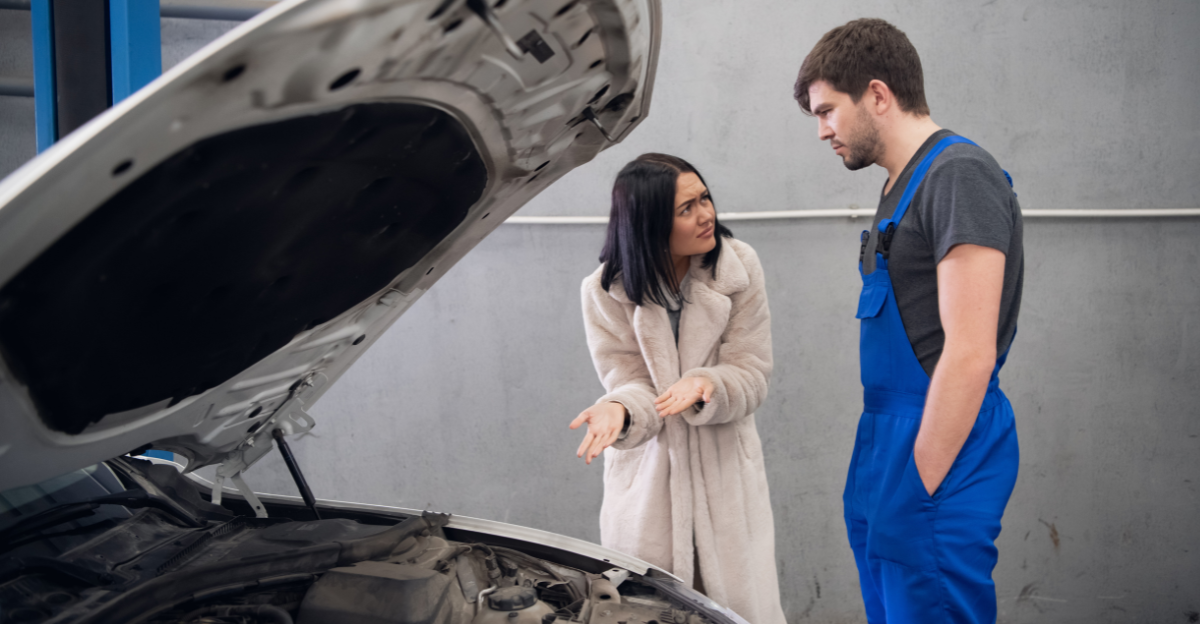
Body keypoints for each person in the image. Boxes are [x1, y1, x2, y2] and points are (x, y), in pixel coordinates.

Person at [794, 19, 1024, 624]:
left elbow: (971, 352)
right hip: (885, 440)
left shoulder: (957, 175)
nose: (822, 131)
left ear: (876, 95)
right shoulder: (901, 183)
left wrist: (919, 478)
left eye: (827, 112)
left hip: (936, 436)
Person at [570, 153, 786, 624]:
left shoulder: (738, 267)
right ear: (648, 222)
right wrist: (619, 409)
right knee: (648, 609)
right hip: (649, 487)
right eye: (686, 208)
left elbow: (751, 371)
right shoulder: (605, 291)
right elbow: (629, 381)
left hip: (726, 478)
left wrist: (707, 383)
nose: (706, 214)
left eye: (704, 197)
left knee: (739, 609)